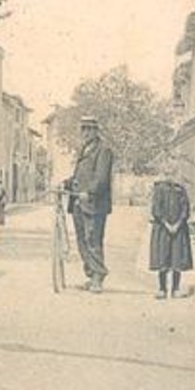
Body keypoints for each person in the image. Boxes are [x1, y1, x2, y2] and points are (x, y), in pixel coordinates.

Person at [69, 116, 115, 292]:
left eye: (89, 129)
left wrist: (89, 192)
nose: (86, 133)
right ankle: (91, 275)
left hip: (94, 204)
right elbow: (78, 176)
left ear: (97, 131)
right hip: (78, 203)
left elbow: (101, 178)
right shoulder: (83, 149)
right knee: (82, 240)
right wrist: (67, 183)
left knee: (93, 240)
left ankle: (98, 278)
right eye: (83, 129)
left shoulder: (104, 150)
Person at [149, 156, 194, 299]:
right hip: (163, 228)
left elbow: (185, 208)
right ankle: (162, 288)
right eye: (166, 172)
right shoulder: (159, 188)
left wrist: (179, 223)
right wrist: (167, 224)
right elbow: (156, 209)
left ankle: (175, 288)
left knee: (177, 258)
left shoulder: (180, 189)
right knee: (163, 257)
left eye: (172, 172)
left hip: (178, 228)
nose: (169, 175)